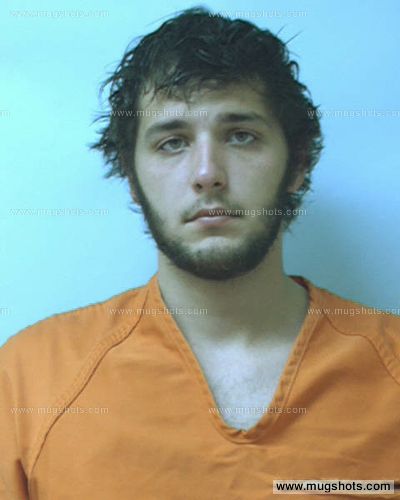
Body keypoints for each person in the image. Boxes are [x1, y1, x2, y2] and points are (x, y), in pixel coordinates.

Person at [1, 7, 399, 499]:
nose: (207, 173)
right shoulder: (29, 380)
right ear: (132, 178)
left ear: (296, 164)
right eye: (172, 143)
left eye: (241, 136)